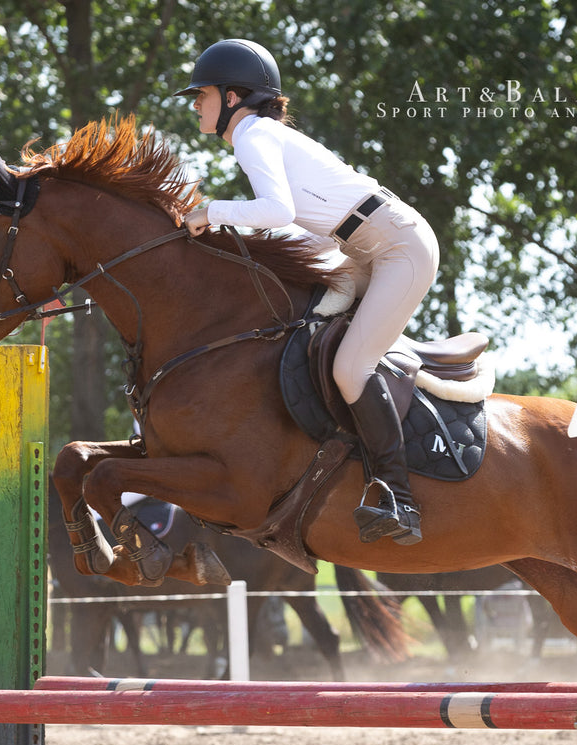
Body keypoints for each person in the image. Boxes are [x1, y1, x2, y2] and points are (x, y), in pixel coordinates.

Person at [176, 39, 439, 546]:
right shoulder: (258, 134)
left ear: (233, 97)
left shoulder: (254, 136)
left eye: (201, 94)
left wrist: (211, 212)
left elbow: (276, 213)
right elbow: (295, 229)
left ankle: (400, 498)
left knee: (349, 367)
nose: (194, 104)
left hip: (399, 249)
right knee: (300, 321)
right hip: (364, 249)